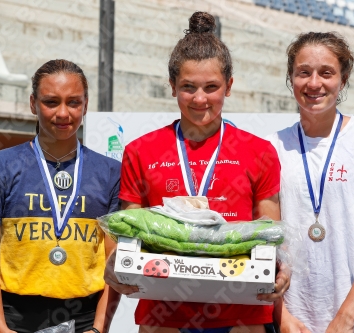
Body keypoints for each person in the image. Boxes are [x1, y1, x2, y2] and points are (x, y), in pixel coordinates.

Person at [103, 11, 289, 333]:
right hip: (163, 314)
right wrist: (116, 262)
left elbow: (267, 231)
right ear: (172, 85)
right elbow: (129, 229)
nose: (200, 99)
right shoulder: (141, 150)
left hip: (240, 313)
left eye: (211, 87)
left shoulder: (259, 151)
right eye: (188, 86)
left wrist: (279, 268)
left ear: (228, 86)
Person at [0, 59, 121, 333]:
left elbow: (114, 258)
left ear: (86, 104)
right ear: (33, 104)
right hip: (16, 320)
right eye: (51, 102)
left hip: (85, 318)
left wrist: (98, 328)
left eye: (73, 102)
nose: (63, 113)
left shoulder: (110, 172)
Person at [267, 32, 354, 333]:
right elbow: (267, 243)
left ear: (342, 80)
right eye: (303, 72)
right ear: (291, 78)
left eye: (326, 73)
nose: (314, 83)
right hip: (295, 323)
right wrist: (283, 318)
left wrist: (345, 319)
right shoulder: (272, 147)